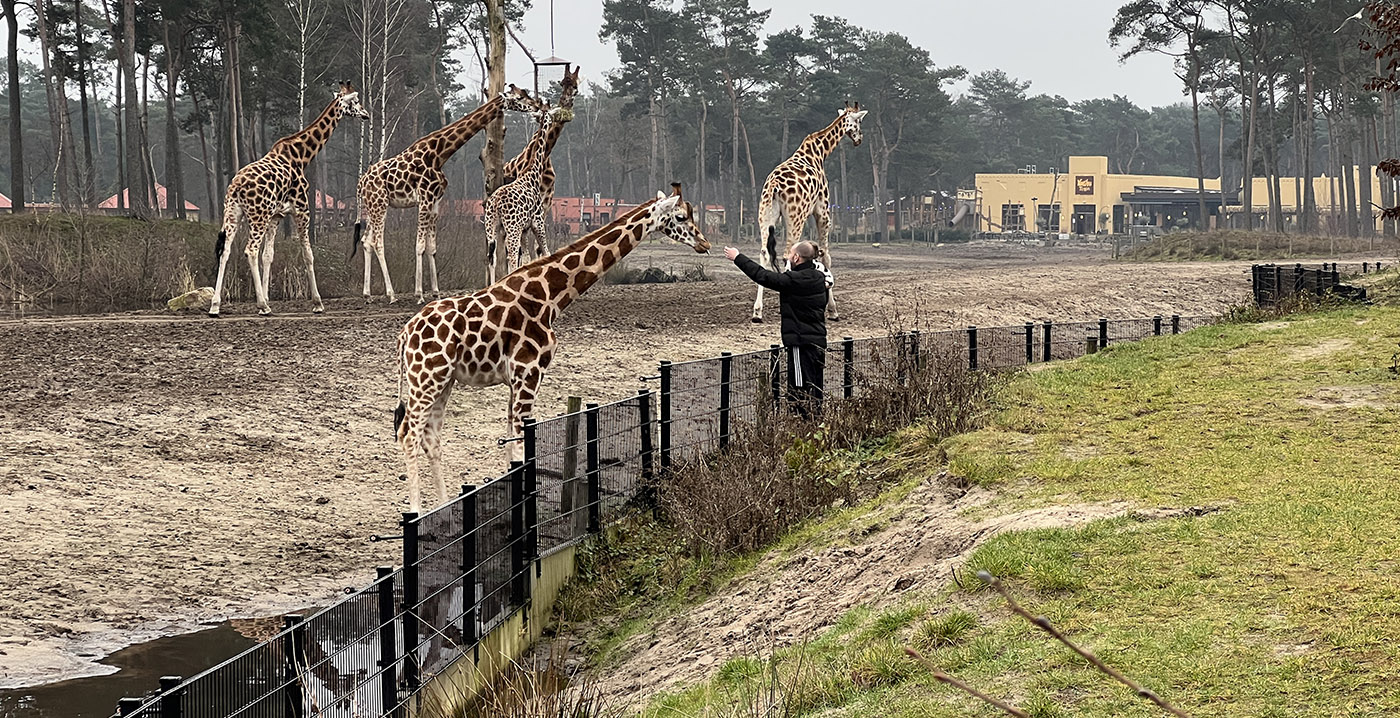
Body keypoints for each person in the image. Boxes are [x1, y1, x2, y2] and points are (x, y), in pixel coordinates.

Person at [724, 241, 831, 419]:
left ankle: (800, 423)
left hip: (800, 343)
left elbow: (763, 276)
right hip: (818, 341)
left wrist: (738, 258)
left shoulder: (794, 280)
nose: (788, 256)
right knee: (816, 385)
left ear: (797, 257)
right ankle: (817, 423)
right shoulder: (820, 278)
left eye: (790, 254)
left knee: (798, 386)